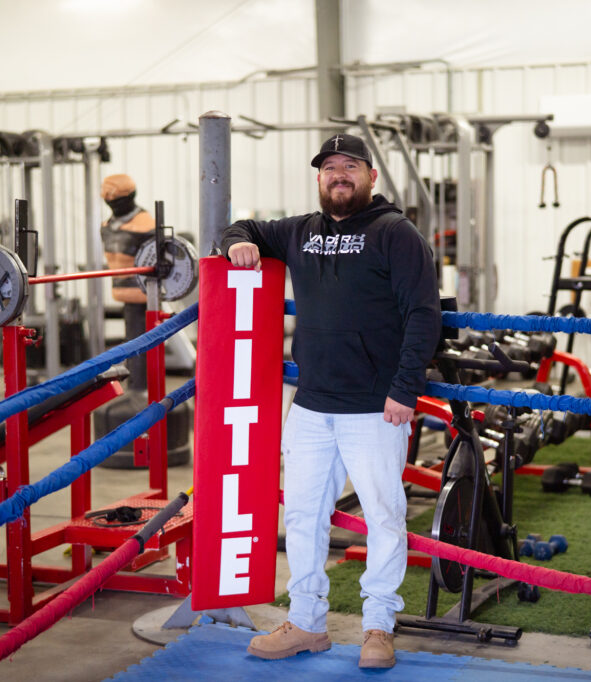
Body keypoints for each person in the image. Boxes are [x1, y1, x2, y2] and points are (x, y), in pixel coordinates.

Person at [222, 133, 441, 669]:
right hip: (312, 406)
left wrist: (404, 388)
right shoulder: (300, 231)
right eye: (329, 168)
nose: (338, 175)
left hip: (374, 406)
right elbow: (242, 227)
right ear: (319, 178)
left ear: (370, 176)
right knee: (302, 516)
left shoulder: (396, 233)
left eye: (349, 167)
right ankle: (306, 622)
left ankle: (377, 629)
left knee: (384, 516)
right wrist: (236, 243)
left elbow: (423, 313)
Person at [101, 173, 155, 391]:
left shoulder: (145, 225)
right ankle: (137, 388)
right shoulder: (107, 225)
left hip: (143, 296)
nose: (113, 204)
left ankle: (139, 391)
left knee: (140, 344)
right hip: (123, 293)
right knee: (133, 342)